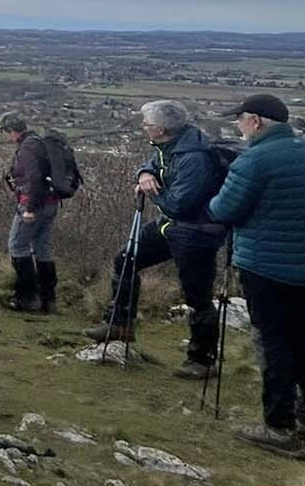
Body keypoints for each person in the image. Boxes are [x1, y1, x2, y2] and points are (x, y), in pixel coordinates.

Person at [208, 92, 305, 456]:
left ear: (256, 121)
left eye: (240, 119)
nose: (238, 125)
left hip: (265, 265)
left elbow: (223, 210)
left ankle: (279, 426)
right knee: (304, 338)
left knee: (272, 342)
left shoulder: (254, 161)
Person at [88, 101, 226, 380]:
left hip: (195, 233)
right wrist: (145, 173)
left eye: (147, 125)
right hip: (171, 228)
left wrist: (148, 191)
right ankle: (119, 323)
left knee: (197, 296)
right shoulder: (172, 146)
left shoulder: (194, 158)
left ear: (161, 129)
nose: (143, 128)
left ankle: (202, 360)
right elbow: (152, 163)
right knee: (126, 259)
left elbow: (178, 204)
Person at [0, 113, 59, 312]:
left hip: (33, 204)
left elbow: (33, 177)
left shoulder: (26, 148)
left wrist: (30, 209)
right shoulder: (40, 142)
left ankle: (28, 298)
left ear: (12, 131)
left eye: (6, 133)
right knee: (42, 248)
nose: (7, 137)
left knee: (17, 246)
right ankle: (48, 299)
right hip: (51, 202)